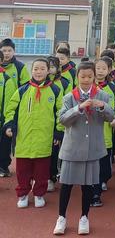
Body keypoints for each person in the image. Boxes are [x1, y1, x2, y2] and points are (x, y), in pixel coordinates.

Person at [53, 61, 115, 235]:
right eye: (83, 76)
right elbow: (63, 119)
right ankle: (61, 217)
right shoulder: (69, 97)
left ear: (94, 76)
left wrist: (102, 106)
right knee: (66, 185)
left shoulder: (102, 95)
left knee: (88, 186)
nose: (86, 80)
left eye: (89, 76)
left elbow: (111, 117)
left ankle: (84, 217)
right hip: (72, 148)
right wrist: (78, 108)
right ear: (77, 77)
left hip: (93, 149)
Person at [4, 58, 63, 209]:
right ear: (32, 71)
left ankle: (39, 194)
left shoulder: (55, 91)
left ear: (48, 70)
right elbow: (10, 109)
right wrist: (9, 125)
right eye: (36, 69)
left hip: (44, 139)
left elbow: (60, 113)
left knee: (41, 171)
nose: (38, 71)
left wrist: (58, 132)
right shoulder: (22, 90)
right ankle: (23, 194)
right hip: (23, 138)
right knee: (23, 171)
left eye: (42, 68)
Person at [91, 56, 115, 207]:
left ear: (110, 70)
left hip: (106, 131)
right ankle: (95, 193)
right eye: (97, 68)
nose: (100, 71)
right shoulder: (87, 85)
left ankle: (103, 179)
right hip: (89, 131)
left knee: (105, 166)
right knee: (92, 164)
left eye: (103, 69)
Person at [47, 55, 71, 192]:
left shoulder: (65, 83)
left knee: (55, 152)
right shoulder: (39, 83)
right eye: (47, 66)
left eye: (52, 66)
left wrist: (60, 129)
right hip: (42, 125)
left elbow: (65, 107)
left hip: (56, 124)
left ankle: (51, 177)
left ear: (57, 68)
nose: (49, 70)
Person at [0, 49, 17, 178]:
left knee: (4, 146)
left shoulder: (7, 80)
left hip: (2, 120)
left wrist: (7, 122)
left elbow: (9, 104)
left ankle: (3, 167)